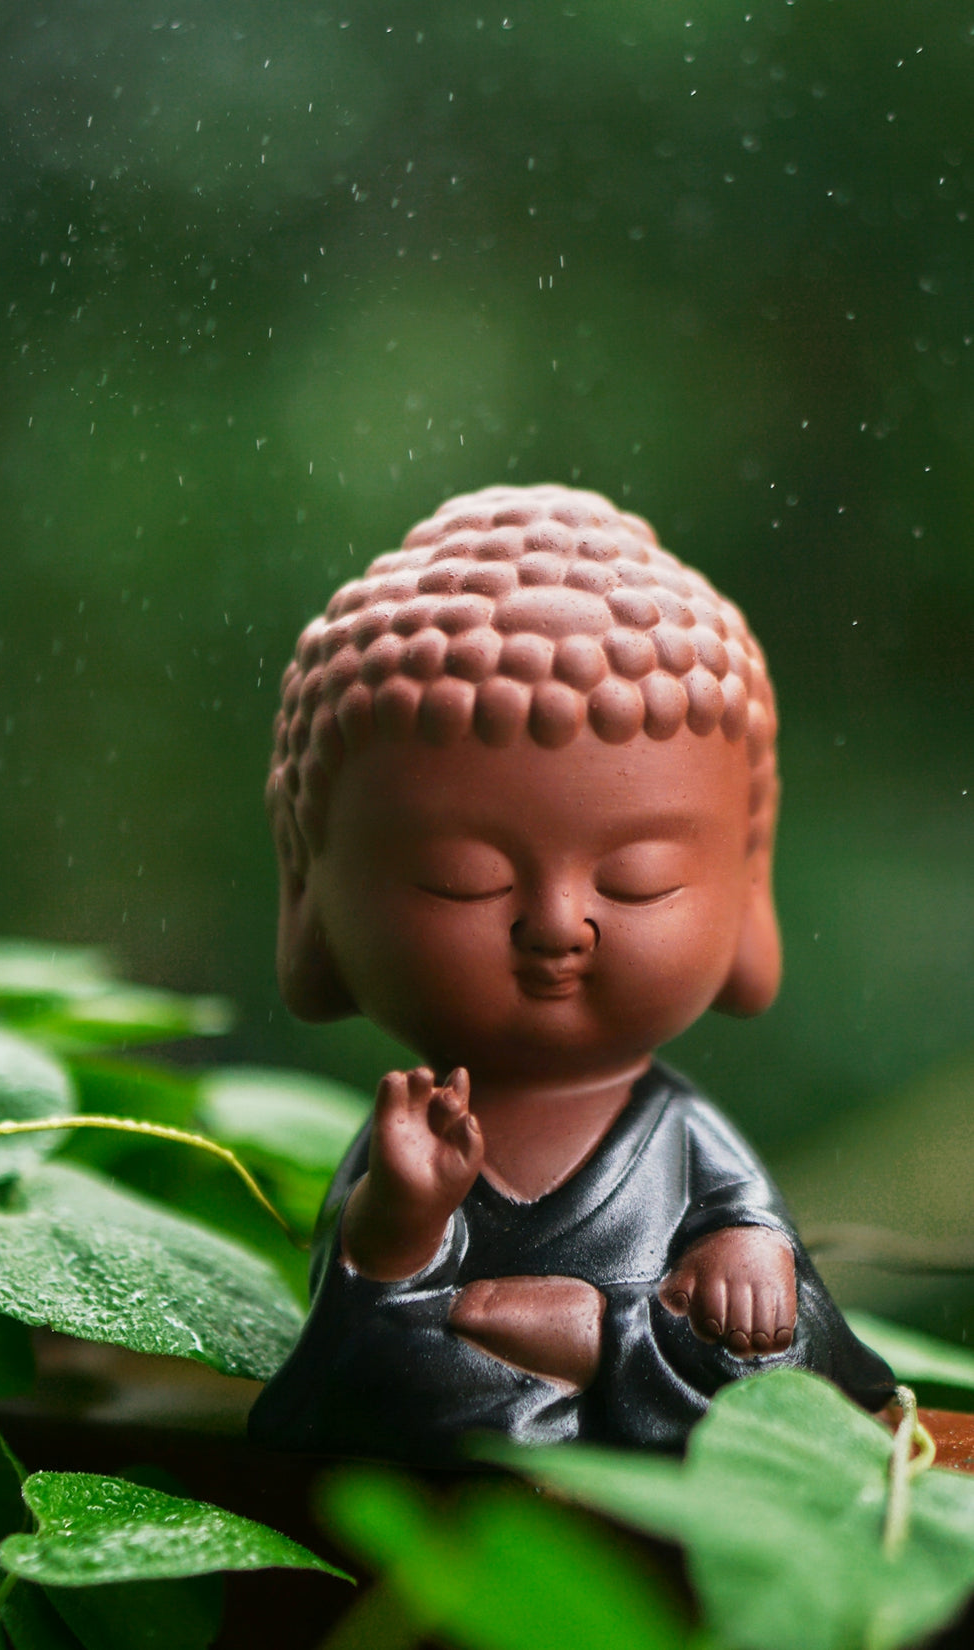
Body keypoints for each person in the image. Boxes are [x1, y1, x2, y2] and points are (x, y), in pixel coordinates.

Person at [248, 483, 893, 1460]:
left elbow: (794, 1353)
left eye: (638, 879)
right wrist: (399, 1229)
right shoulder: (415, 1134)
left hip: (638, 1477)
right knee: (386, 1370)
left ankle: (591, 1367)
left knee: (778, 1367)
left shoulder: (683, 1140)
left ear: (741, 874)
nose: (555, 926)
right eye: (462, 880)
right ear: (311, 883)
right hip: (451, 1486)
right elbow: (352, 1344)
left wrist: (744, 1254)